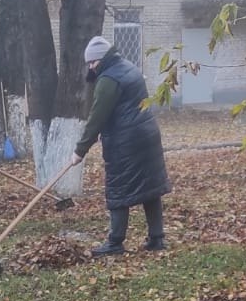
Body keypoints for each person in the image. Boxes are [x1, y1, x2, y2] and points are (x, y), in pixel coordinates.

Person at [71, 36, 171, 255]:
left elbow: (97, 117)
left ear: (101, 59)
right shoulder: (128, 67)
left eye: (92, 62)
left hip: (126, 142)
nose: (91, 67)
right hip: (147, 135)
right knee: (150, 189)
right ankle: (157, 238)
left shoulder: (108, 80)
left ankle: (115, 243)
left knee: (117, 190)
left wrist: (80, 150)